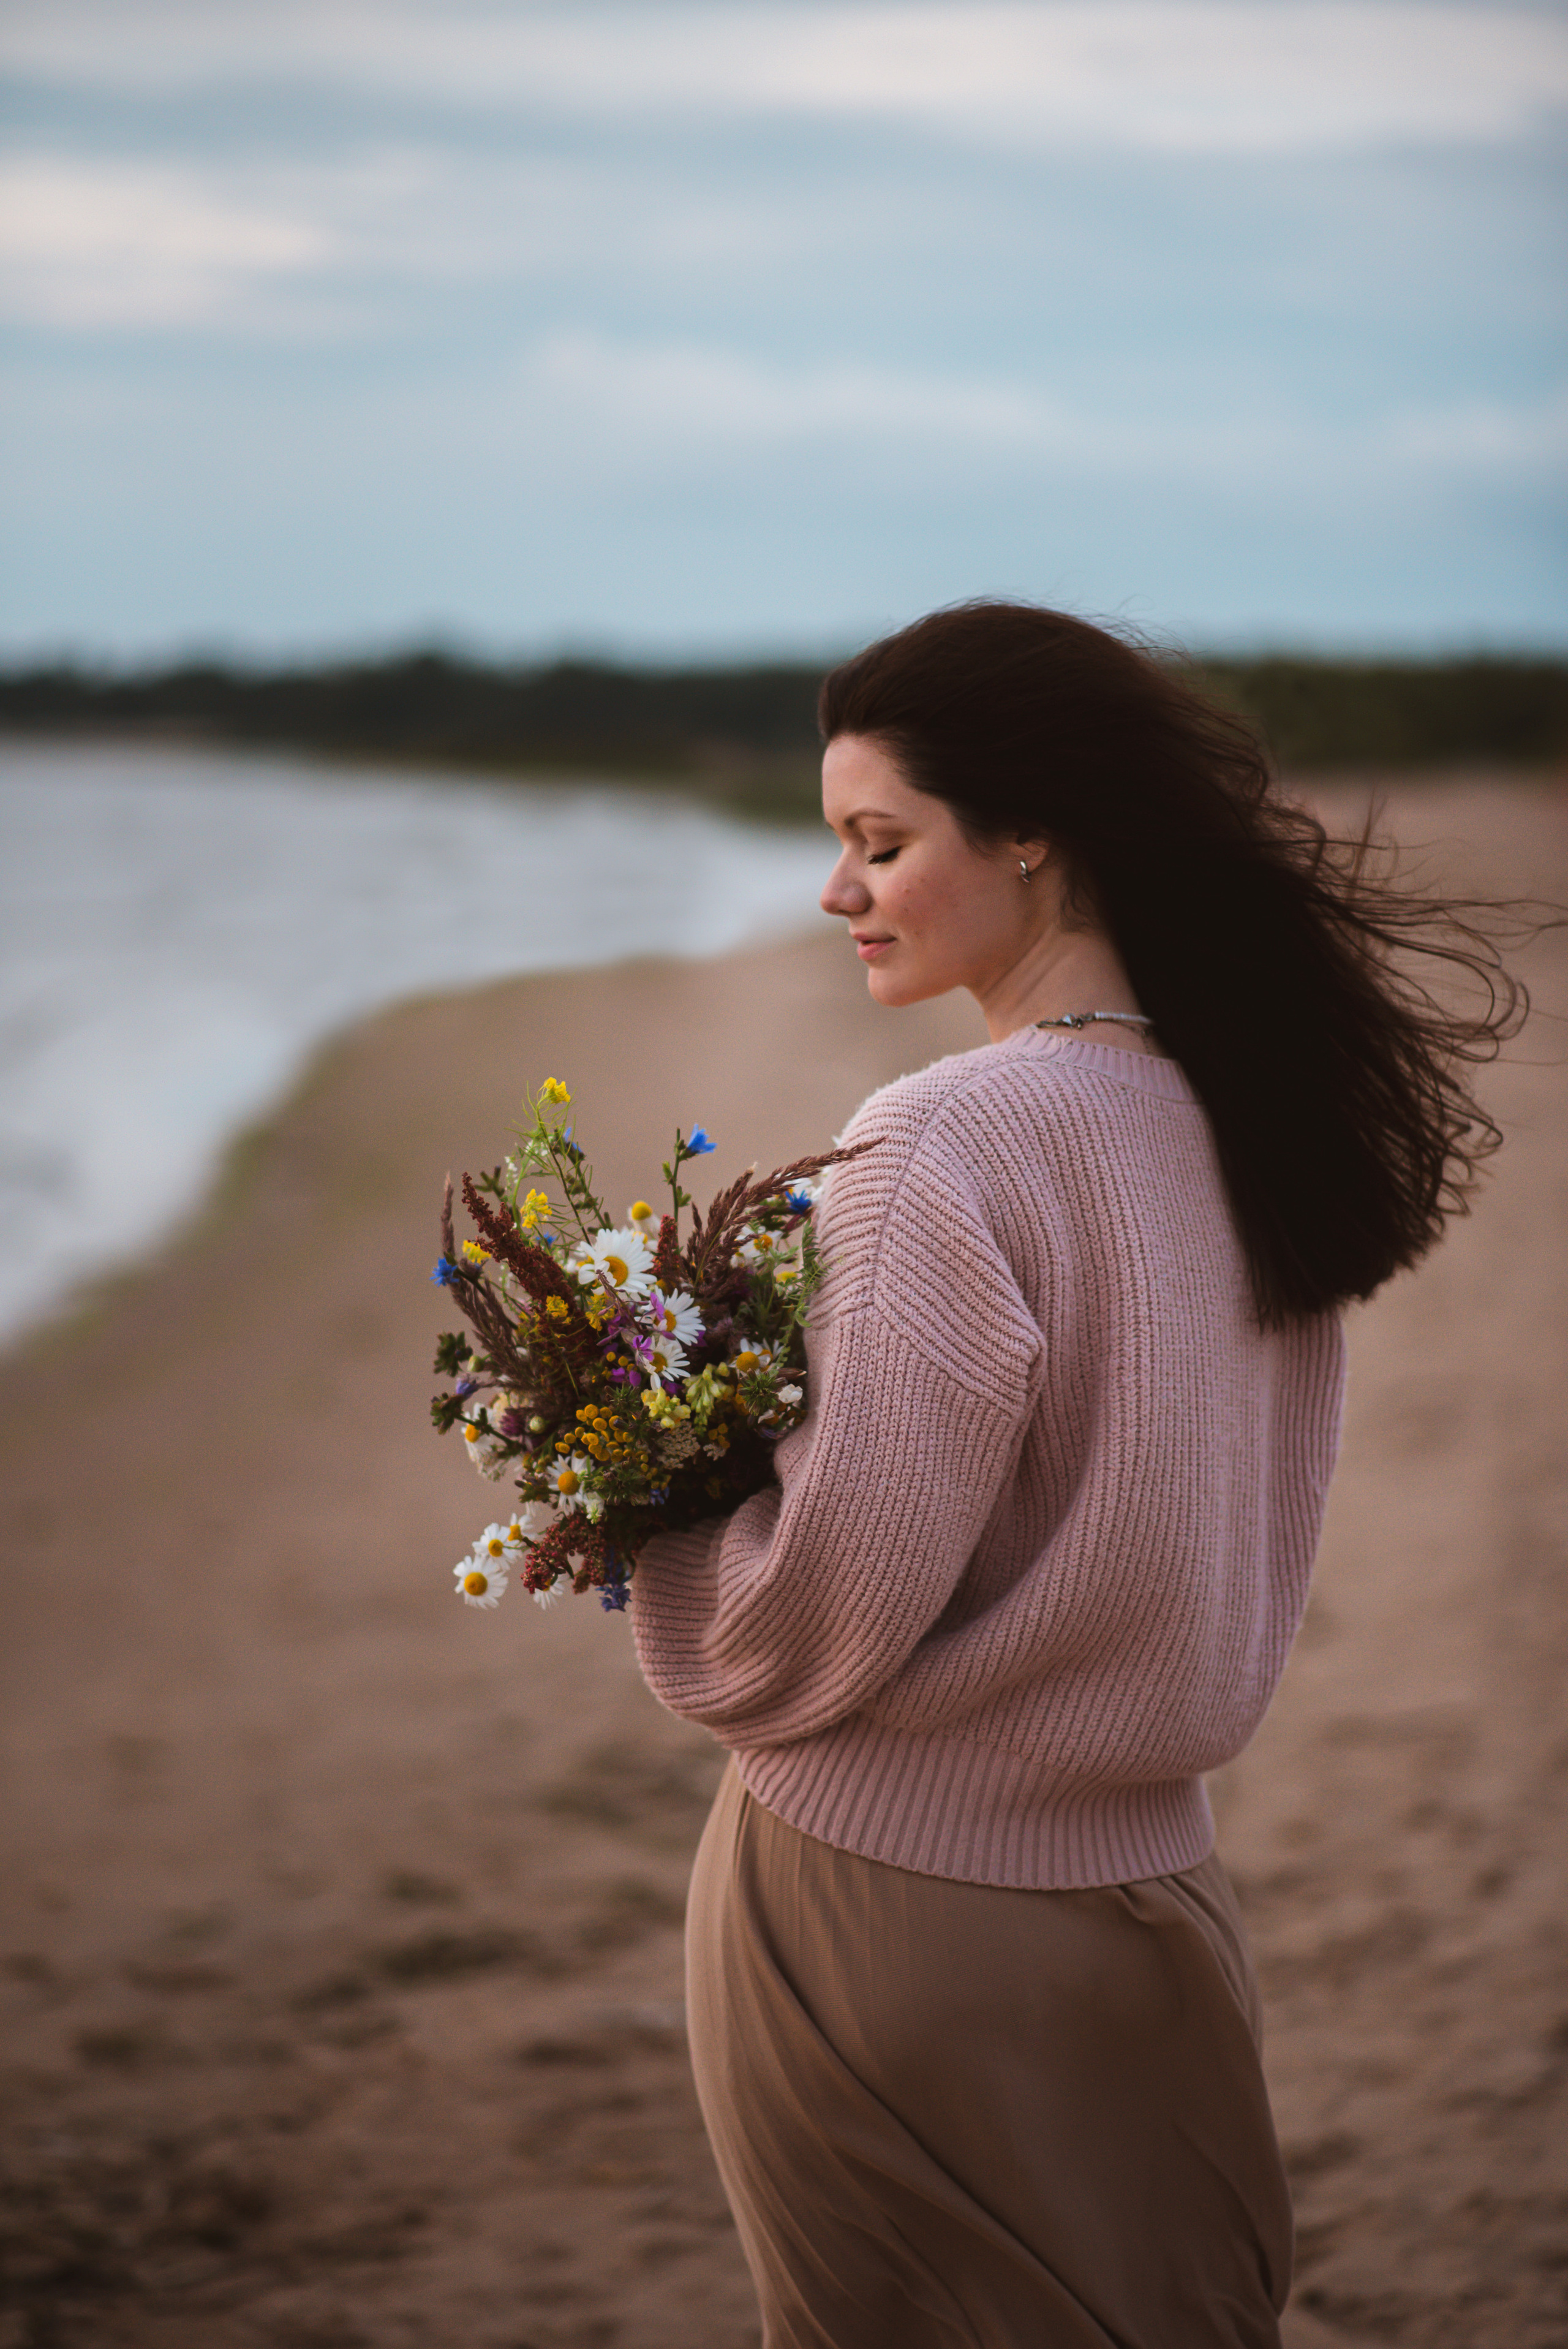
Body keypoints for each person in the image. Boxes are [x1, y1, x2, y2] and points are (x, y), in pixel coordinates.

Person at [628, 601, 1524, 2348]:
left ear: (1031, 829)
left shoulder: (938, 1140)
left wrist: (657, 1536)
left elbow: (818, 1605)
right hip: (1163, 1912)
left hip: (890, 1903)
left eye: (882, 842)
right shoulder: (1252, 1128)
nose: (838, 890)